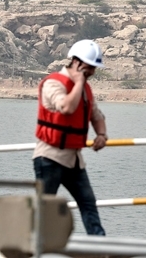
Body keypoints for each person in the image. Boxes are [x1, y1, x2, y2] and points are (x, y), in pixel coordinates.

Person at [33, 39, 108, 235]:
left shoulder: (85, 88)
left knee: (88, 204)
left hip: (74, 160)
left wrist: (101, 134)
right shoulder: (52, 83)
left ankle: (100, 248)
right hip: (50, 158)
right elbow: (66, 107)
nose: (92, 72)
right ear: (76, 62)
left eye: (94, 68)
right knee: (44, 209)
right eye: (90, 67)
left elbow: (96, 115)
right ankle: (34, 249)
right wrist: (80, 82)